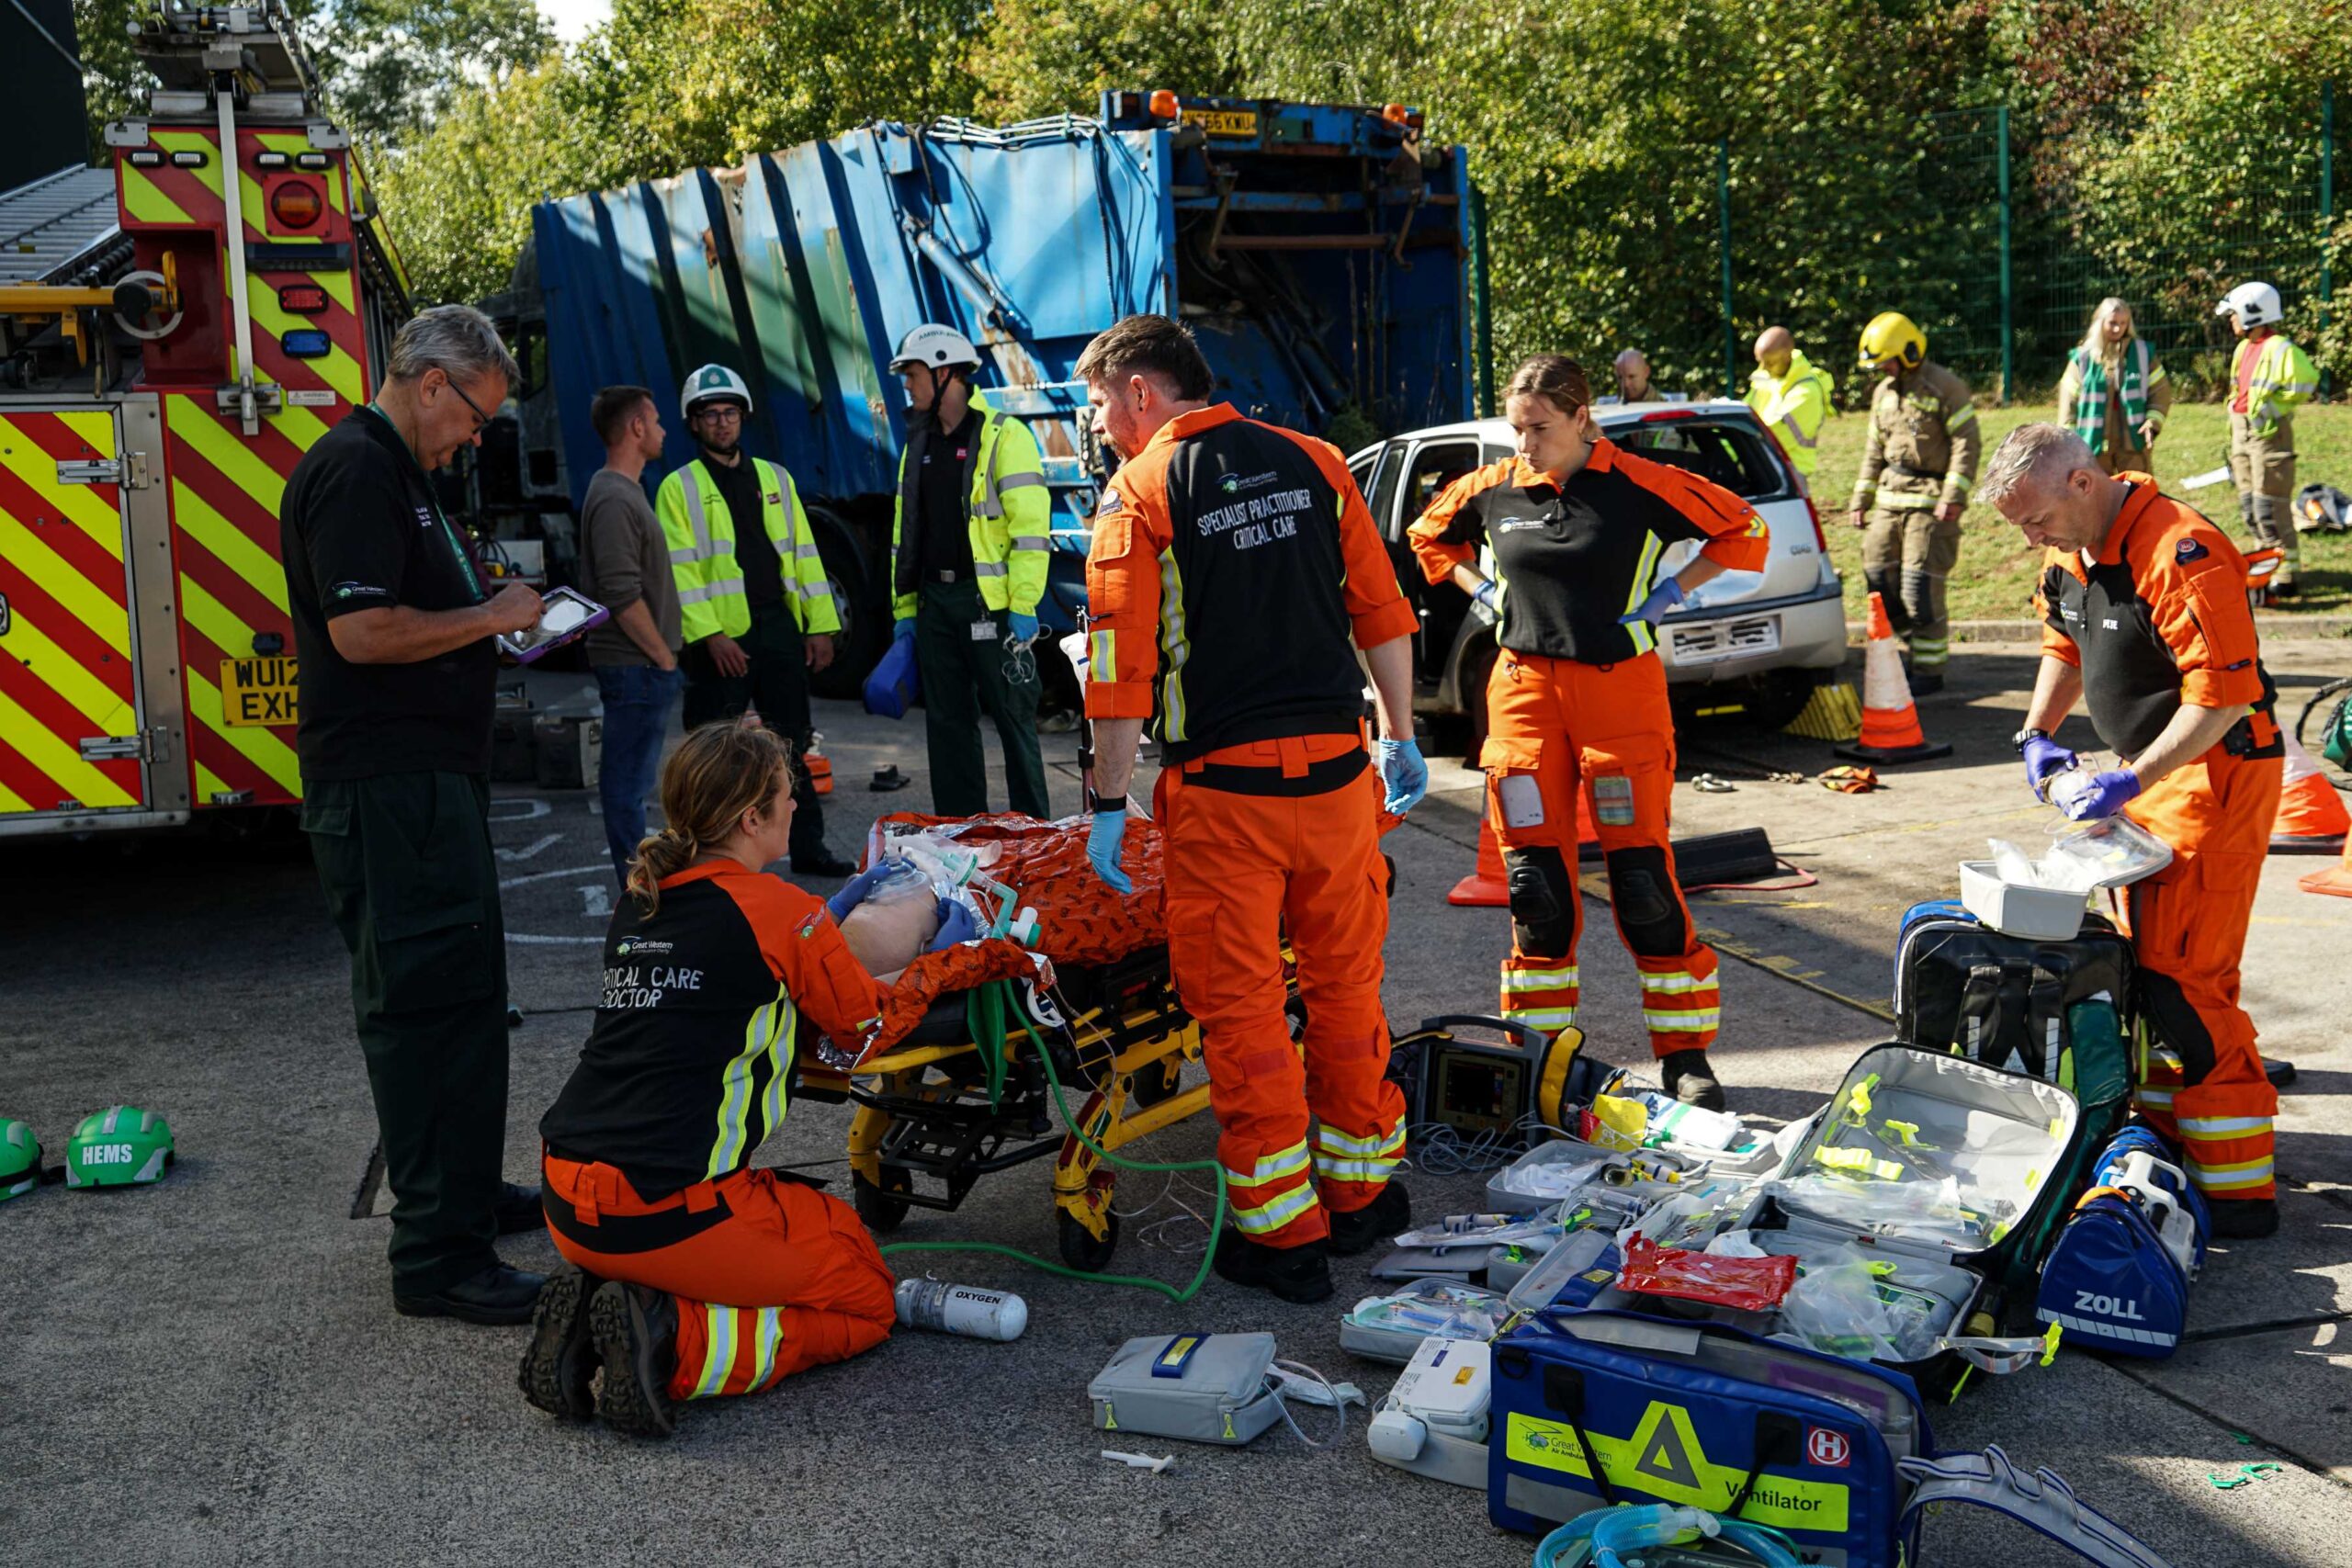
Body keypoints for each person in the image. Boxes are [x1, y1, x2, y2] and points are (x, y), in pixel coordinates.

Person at [1076, 313, 1426, 1304]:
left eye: (1101, 402)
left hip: (1226, 799)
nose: (1099, 423)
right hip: (1338, 782)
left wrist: (1107, 799)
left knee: (1241, 1019)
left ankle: (1284, 1239)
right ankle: (1358, 1197)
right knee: (1345, 988)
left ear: (1142, 392)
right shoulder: (1314, 460)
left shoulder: (1138, 494)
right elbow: (1381, 609)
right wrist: (1398, 734)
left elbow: (1117, 675)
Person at [522, 723, 970, 1437]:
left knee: (799, 1238)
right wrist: (946, 956)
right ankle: (672, 1343)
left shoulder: (638, 902)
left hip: (567, 1199)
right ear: (751, 818)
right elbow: (865, 1028)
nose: (799, 808)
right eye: (788, 797)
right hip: (671, 1211)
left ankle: (599, 1309)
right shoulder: (784, 914)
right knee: (865, 1296)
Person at [281, 305, 548, 1324]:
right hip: (389, 795)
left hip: (425, 788)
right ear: (432, 383)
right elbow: (363, 631)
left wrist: (491, 614)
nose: (476, 437)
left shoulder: (401, 477)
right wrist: (488, 616)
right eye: (476, 415)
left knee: (465, 999)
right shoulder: (358, 470)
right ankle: (439, 1256)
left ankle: (465, 1197)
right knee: (425, 1012)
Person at [1409, 355, 1767, 1113]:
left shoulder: (1639, 484)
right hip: (1522, 695)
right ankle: (1537, 1058)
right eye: (1517, 429)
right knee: (1535, 885)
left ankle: (1684, 1055)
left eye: (1540, 428)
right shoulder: (1495, 488)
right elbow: (1426, 536)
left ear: (1580, 417)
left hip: (1619, 694)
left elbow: (1744, 529)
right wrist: (1481, 594)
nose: (1526, 443)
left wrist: (1674, 590)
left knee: (1642, 878)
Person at [1983, 424, 2283, 1240]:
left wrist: (2128, 778)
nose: (2031, 537)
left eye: (2036, 518)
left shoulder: (2181, 551)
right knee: (2137, 968)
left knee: (2185, 977)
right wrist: (2037, 733)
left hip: (2212, 775)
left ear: (2085, 482)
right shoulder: (2069, 548)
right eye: (2020, 526)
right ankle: (2164, 1139)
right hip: (2147, 772)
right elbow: (2063, 640)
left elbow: (2221, 700)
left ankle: (2240, 1185)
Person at [657, 364, 857, 876]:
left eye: (729, 413)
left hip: (777, 628)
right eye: (710, 415)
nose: (722, 423)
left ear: (742, 418)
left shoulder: (775, 478)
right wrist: (711, 635)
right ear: (694, 423)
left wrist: (820, 625)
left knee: (791, 741)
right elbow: (682, 573)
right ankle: (705, 858)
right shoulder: (678, 488)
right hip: (719, 640)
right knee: (712, 754)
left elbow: (804, 556)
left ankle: (808, 848)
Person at [884, 323, 1052, 818]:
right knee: (948, 725)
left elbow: (1030, 531)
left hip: (992, 606)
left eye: (913, 375)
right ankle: (962, 832)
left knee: (1014, 718)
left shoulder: (1005, 436)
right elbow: (905, 534)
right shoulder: (918, 443)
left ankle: (1033, 831)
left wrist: (1022, 605)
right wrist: (907, 609)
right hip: (936, 604)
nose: (908, 386)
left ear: (946, 373)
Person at [579, 385, 684, 882]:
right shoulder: (615, 497)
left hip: (641, 666)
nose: (664, 430)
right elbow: (620, 594)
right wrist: (663, 657)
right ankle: (636, 887)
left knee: (632, 783)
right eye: (657, 421)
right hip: (636, 666)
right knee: (626, 787)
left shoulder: (625, 492)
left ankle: (639, 882)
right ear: (637, 428)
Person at [1848, 311, 1980, 696]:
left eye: (1886, 361)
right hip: (1889, 498)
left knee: (1920, 588)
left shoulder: (1946, 388)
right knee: (1876, 576)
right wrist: (1861, 498)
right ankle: (1910, 644)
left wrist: (1953, 497)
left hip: (1931, 501)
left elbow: (1966, 445)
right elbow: (1874, 449)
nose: (1882, 370)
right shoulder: (1883, 393)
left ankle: (1928, 669)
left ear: (1909, 351)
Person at [2217, 281, 2321, 596]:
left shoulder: (2281, 348)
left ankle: (2286, 575)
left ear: (2252, 312)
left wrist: (2272, 410)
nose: (2231, 320)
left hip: (2269, 438)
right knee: (2250, 506)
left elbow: (2306, 383)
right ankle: (2266, 566)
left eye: (2234, 314)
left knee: (2270, 507)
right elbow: (2240, 387)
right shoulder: (2243, 348)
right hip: (2243, 433)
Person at [2054, 299, 2173, 479]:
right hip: (2091, 445)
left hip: (2133, 442)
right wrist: (2070, 440)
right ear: (2099, 322)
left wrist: (2152, 422)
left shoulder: (2142, 353)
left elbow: (2161, 391)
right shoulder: (2082, 358)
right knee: (2096, 499)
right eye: (2112, 323)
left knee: (2138, 494)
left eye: (2123, 323)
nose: (2118, 329)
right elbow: (2068, 403)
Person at [1744, 326, 1835, 485]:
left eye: (1770, 363)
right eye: (1761, 362)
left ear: (1787, 357)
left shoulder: (1807, 391)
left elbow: (1775, 433)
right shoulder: (1766, 377)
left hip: (1790, 471)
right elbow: (1745, 410)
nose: (1763, 368)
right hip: (1763, 462)